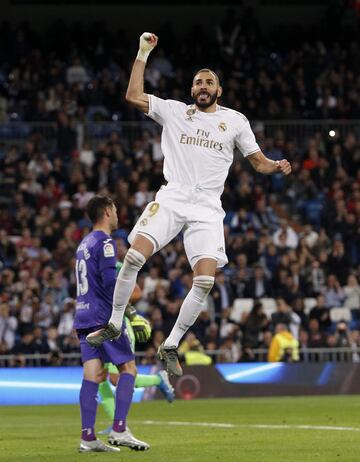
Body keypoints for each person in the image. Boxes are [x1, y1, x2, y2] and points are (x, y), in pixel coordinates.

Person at [86, 32, 292, 377]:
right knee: (134, 256)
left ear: (218, 91)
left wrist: (275, 165)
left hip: (208, 208)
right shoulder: (174, 111)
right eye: (198, 82)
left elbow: (257, 161)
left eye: (209, 82)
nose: (203, 86)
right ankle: (114, 322)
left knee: (206, 282)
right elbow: (132, 95)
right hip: (173, 197)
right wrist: (142, 52)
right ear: (192, 89)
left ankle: (170, 345)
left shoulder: (236, 121)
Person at [73, 195, 149, 452]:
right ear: (106, 211)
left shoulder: (83, 243)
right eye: (115, 210)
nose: (117, 215)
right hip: (103, 318)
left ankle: (88, 437)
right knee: (128, 369)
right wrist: (129, 309)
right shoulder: (105, 242)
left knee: (92, 374)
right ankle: (120, 430)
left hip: (83, 316)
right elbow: (109, 282)